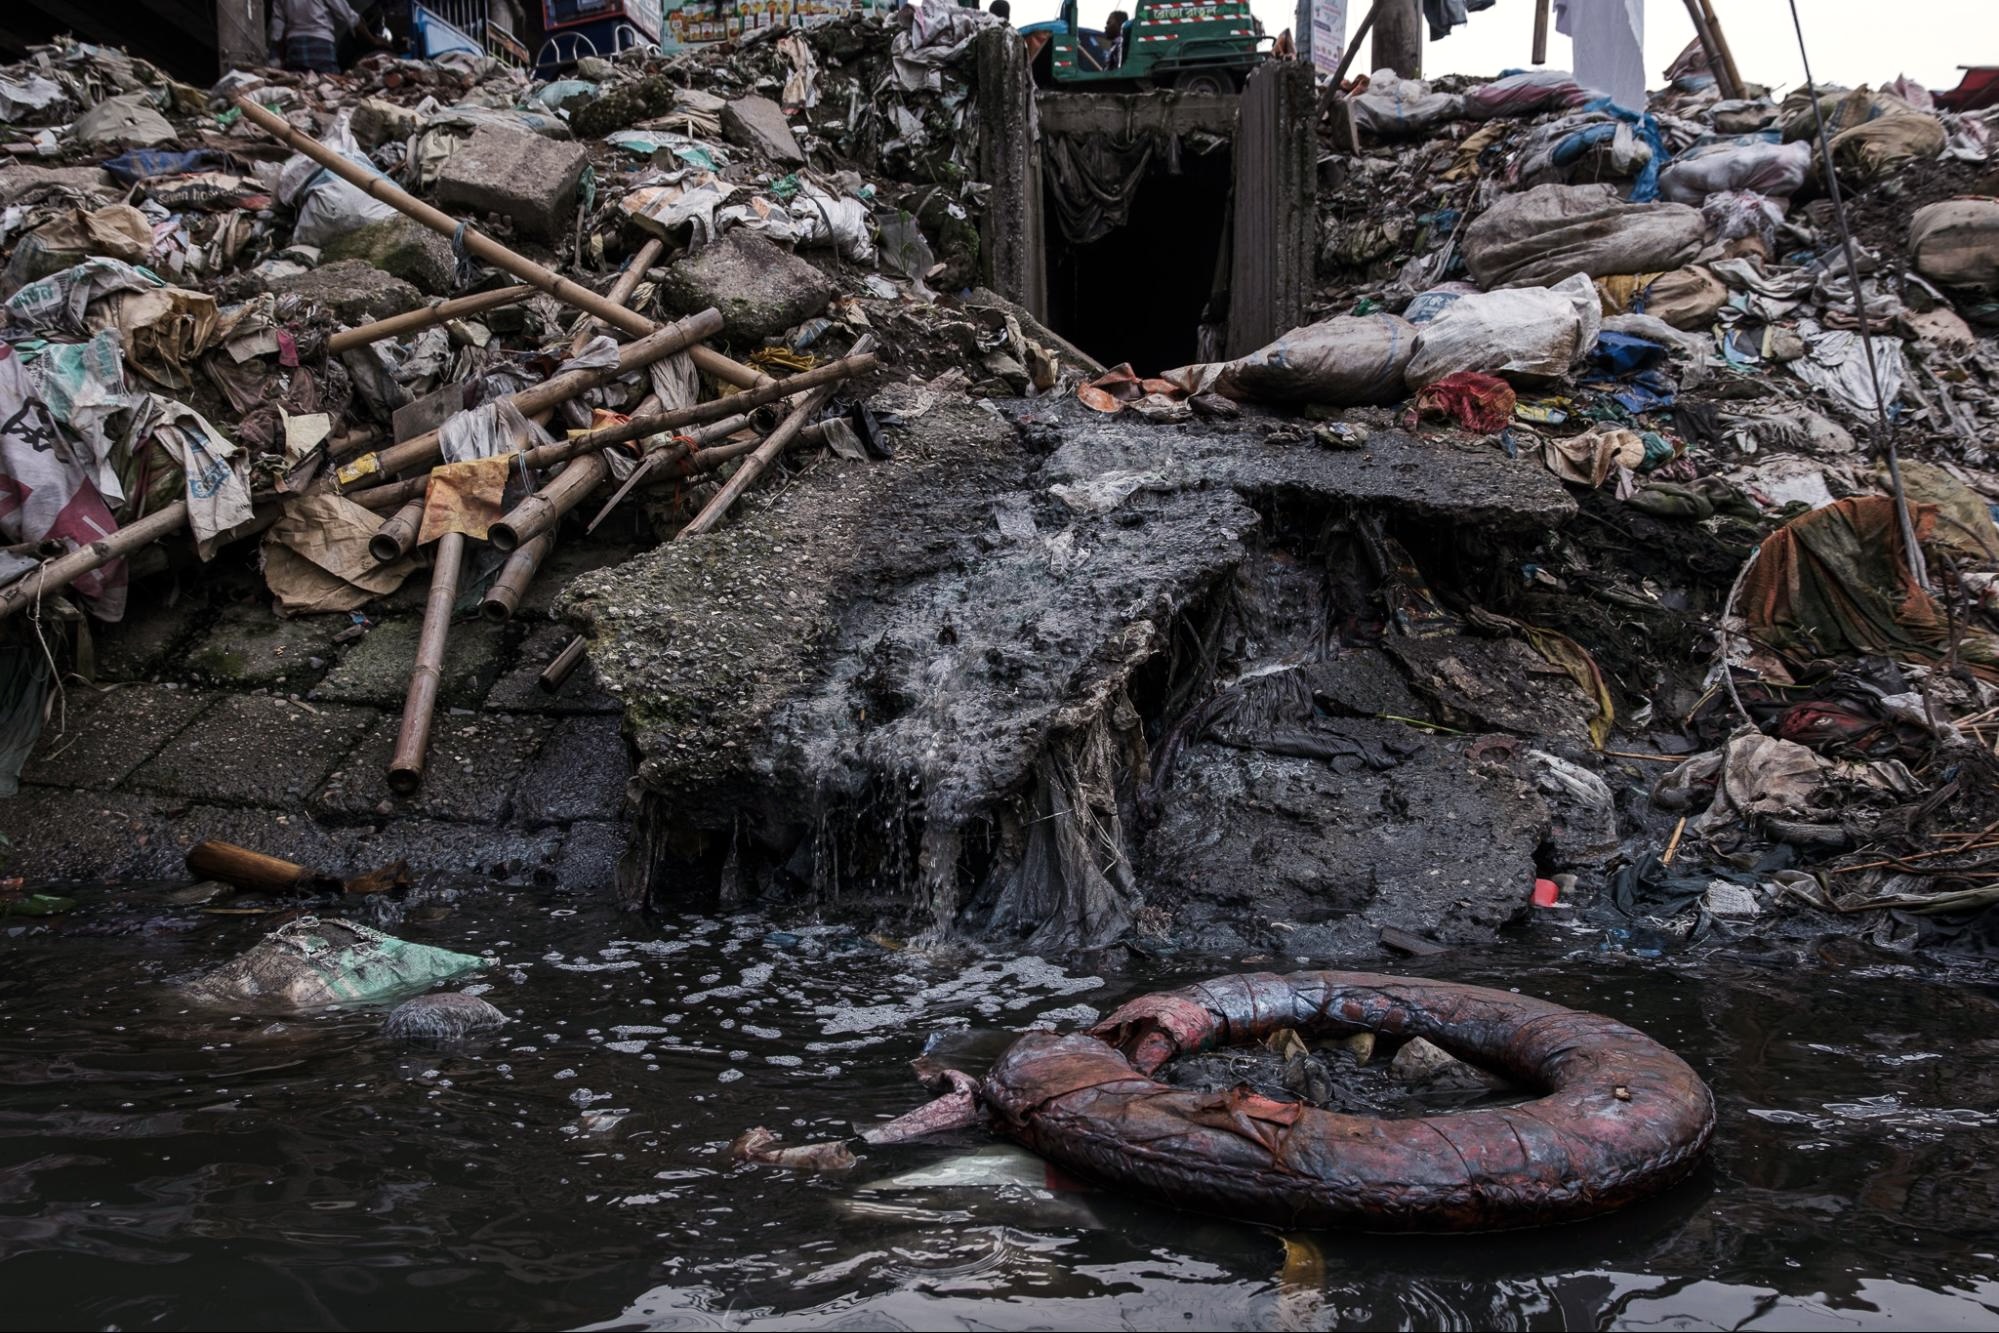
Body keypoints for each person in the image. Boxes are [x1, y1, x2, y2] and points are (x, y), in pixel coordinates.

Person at [268, 0, 381, 74]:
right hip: (321, 46)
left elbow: (277, 29)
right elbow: (349, 16)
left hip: (295, 49)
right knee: (328, 85)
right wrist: (373, 41)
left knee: (301, 89)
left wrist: (276, 58)